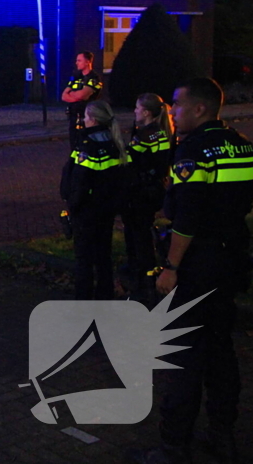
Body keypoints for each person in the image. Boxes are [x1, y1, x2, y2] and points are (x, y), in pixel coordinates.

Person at [129, 78, 253, 464]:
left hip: (197, 264)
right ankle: (223, 437)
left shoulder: (193, 150)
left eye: (177, 106)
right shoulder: (243, 144)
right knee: (220, 349)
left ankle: (174, 447)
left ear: (200, 109)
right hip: (231, 262)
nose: (172, 113)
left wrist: (171, 266)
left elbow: (187, 217)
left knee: (183, 352)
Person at [60, 100, 126, 300]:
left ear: (94, 120)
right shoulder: (116, 144)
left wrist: (72, 206)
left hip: (87, 212)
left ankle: (84, 303)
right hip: (107, 210)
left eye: (86, 117)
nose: (83, 120)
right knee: (103, 256)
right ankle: (105, 297)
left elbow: (80, 182)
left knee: (84, 261)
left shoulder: (88, 146)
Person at [120, 93, 174, 299]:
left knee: (138, 232)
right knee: (142, 229)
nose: (134, 111)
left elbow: (130, 161)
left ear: (146, 112)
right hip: (153, 190)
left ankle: (143, 276)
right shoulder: (159, 132)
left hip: (142, 192)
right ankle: (145, 270)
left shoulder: (145, 135)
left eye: (136, 108)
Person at [61, 51, 103, 149]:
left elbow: (82, 95)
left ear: (87, 62)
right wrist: (77, 96)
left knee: (86, 147)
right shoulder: (76, 76)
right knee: (73, 146)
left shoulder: (94, 78)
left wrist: (72, 94)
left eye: (79, 60)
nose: (76, 63)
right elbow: (63, 96)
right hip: (74, 118)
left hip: (87, 119)